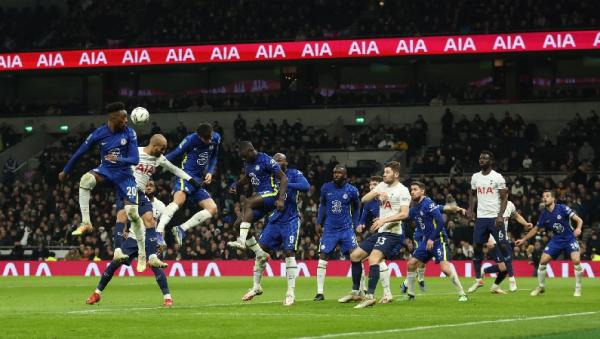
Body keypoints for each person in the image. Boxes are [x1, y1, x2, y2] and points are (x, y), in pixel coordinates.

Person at [58, 102, 143, 265]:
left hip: (125, 175)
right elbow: (80, 152)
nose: (126, 120)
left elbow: (135, 159)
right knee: (85, 179)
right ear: (113, 117)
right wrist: (66, 170)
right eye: (123, 117)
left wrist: (119, 159)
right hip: (106, 171)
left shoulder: (130, 133)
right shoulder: (99, 133)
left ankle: (142, 251)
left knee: (132, 213)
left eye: (127, 117)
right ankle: (86, 222)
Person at [114, 134, 195, 270]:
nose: (164, 151)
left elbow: (174, 169)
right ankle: (117, 251)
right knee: (122, 216)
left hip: (140, 193)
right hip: (126, 189)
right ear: (154, 146)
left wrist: (191, 180)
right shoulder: (135, 152)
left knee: (150, 220)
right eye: (162, 148)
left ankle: (151, 257)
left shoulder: (159, 158)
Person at [85, 180, 173, 307]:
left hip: (150, 240)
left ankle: (167, 297)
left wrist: (161, 241)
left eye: (151, 185)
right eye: (146, 185)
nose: (148, 187)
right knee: (114, 263)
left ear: (155, 188)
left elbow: (161, 226)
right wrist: (125, 229)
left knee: (156, 267)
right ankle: (97, 293)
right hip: (133, 238)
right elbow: (124, 215)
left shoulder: (160, 206)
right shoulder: (134, 200)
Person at [241, 153, 310, 306]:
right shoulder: (268, 176)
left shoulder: (293, 173)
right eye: (276, 161)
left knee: (289, 252)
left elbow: (306, 186)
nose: (278, 163)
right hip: (274, 220)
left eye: (281, 160)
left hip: (291, 220)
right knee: (261, 253)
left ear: (286, 162)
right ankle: (256, 287)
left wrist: (286, 184)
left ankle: (290, 292)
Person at [343, 161, 410, 309]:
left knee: (374, 258)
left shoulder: (403, 190)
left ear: (396, 174)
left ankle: (370, 296)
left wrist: (383, 220)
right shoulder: (381, 186)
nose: (384, 175)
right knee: (355, 256)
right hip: (381, 231)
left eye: (387, 172)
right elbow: (364, 199)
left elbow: (404, 214)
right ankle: (356, 292)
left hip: (393, 232)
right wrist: (377, 193)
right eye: (384, 172)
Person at [402, 182, 467, 302]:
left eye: (415, 189)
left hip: (438, 239)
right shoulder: (415, 207)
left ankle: (462, 293)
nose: (412, 191)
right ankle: (410, 294)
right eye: (411, 190)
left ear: (422, 191)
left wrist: (432, 238)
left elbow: (441, 222)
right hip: (426, 242)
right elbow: (404, 215)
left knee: (445, 269)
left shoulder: (429, 204)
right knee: (411, 263)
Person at [156, 123, 220, 247]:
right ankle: (159, 231)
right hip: (185, 176)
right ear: (199, 136)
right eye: (205, 139)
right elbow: (174, 154)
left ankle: (181, 229)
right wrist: (156, 162)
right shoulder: (190, 140)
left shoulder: (216, 138)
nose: (209, 141)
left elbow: (214, 157)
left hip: (198, 181)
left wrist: (210, 172)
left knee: (212, 208)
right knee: (179, 201)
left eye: (210, 137)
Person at [516, 190, 584, 297]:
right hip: (556, 240)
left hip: (569, 238)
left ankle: (578, 288)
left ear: (553, 199)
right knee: (542, 261)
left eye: (547, 196)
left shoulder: (562, 208)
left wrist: (578, 229)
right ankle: (541, 286)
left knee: (576, 260)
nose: (545, 198)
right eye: (543, 196)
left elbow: (579, 220)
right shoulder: (544, 215)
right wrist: (524, 239)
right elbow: (535, 229)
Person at [227, 141, 288, 257]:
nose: (244, 159)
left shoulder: (266, 159)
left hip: (272, 193)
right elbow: (247, 178)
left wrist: (281, 199)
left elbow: (284, 178)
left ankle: (241, 241)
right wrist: (236, 184)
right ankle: (260, 253)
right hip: (260, 198)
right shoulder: (248, 163)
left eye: (245, 156)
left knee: (248, 202)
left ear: (251, 150)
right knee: (237, 225)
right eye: (243, 157)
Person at [313, 165, 360, 301]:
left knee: (356, 256)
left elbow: (357, 208)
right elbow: (322, 205)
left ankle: (359, 289)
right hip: (329, 229)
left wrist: (356, 224)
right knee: (323, 257)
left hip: (346, 229)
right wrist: (318, 222)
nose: (336, 174)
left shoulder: (352, 190)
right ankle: (320, 292)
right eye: (334, 172)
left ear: (345, 175)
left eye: (339, 172)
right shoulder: (326, 187)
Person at [346, 175, 393, 303]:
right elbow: (362, 220)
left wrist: (383, 220)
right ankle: (361, 290)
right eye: (371, 185)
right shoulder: (369, 203)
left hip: (390, 234)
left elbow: (399, 215)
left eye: (375, 185)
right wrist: (360, 225)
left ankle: (387, 294)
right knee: (357, 257)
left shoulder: (389, 197)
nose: (372, 187)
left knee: (378, 260)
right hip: (376, 235)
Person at [467, 151, 509, 293]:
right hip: (481, 218)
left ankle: (508, 276)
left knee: (503, 245)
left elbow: (504, 198)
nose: (482, 160)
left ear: (491, 161)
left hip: (494, 218)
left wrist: (500, 215)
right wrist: (471, 209)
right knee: (477, 246)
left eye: (485, 158)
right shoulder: (475, 177)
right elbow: (472, 194)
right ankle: (478, 278)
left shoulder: (498, 177)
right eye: (480, 158)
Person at [481, 200, 533, 293]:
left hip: (504, 239)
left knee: (504, 267)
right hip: (493, 239)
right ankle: (512, 281)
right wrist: (487, 238)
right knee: (505, 264)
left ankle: (493, 284)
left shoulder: (510, 205)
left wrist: (525, 223)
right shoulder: (490, 204)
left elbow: (516, 215)